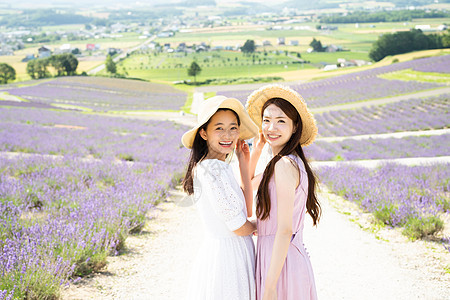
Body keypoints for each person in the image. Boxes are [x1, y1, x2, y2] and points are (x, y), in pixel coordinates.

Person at [246, 84, 321, 300]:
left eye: (281, 121)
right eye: (267, 120)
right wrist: (257, 149)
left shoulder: (284, 165)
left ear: (294, 126)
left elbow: (285, 230)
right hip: (280, 258)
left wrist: (270, 286)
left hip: (280, 264)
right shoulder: (281, 163)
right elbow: (248, 186)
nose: (272, 127)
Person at [181, 95, 259, 299]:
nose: (228, 135)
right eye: (219, 128)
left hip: (232, 252)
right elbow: (239, 225)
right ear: (204, 134)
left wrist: (244, 163)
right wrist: (261, 225)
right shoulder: (211, 169)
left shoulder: (218, 167)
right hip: (228, 258)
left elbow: (245, 211)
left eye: (233, 128)